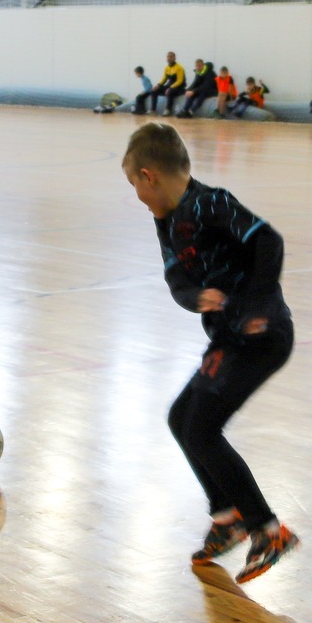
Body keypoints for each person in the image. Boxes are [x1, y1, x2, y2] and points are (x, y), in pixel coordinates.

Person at [122, 122, 298, 584]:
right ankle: (227, 518)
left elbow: (269, 242)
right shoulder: (165, 219)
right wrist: (195, 297)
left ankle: (267, 529)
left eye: (133, 185)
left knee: (202, 428)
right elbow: (176, 278)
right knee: (183, 418)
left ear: (149, 176)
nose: (136, 194)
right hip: (229, 339)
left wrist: (258, 305)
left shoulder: (211, 203)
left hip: (262, 336)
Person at [145, 52, 187, 116]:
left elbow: (180, 81)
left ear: (174, 58)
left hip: (179, 87)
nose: (169, 58)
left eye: (171, 57)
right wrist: (158, 85)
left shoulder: (179, 67)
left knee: (170, 91)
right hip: (170, 85)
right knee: (153, 91)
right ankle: (153, 110)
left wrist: (170, 88)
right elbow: (164, 79)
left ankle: (168, 110)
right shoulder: (166, 68)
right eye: (168, 57)